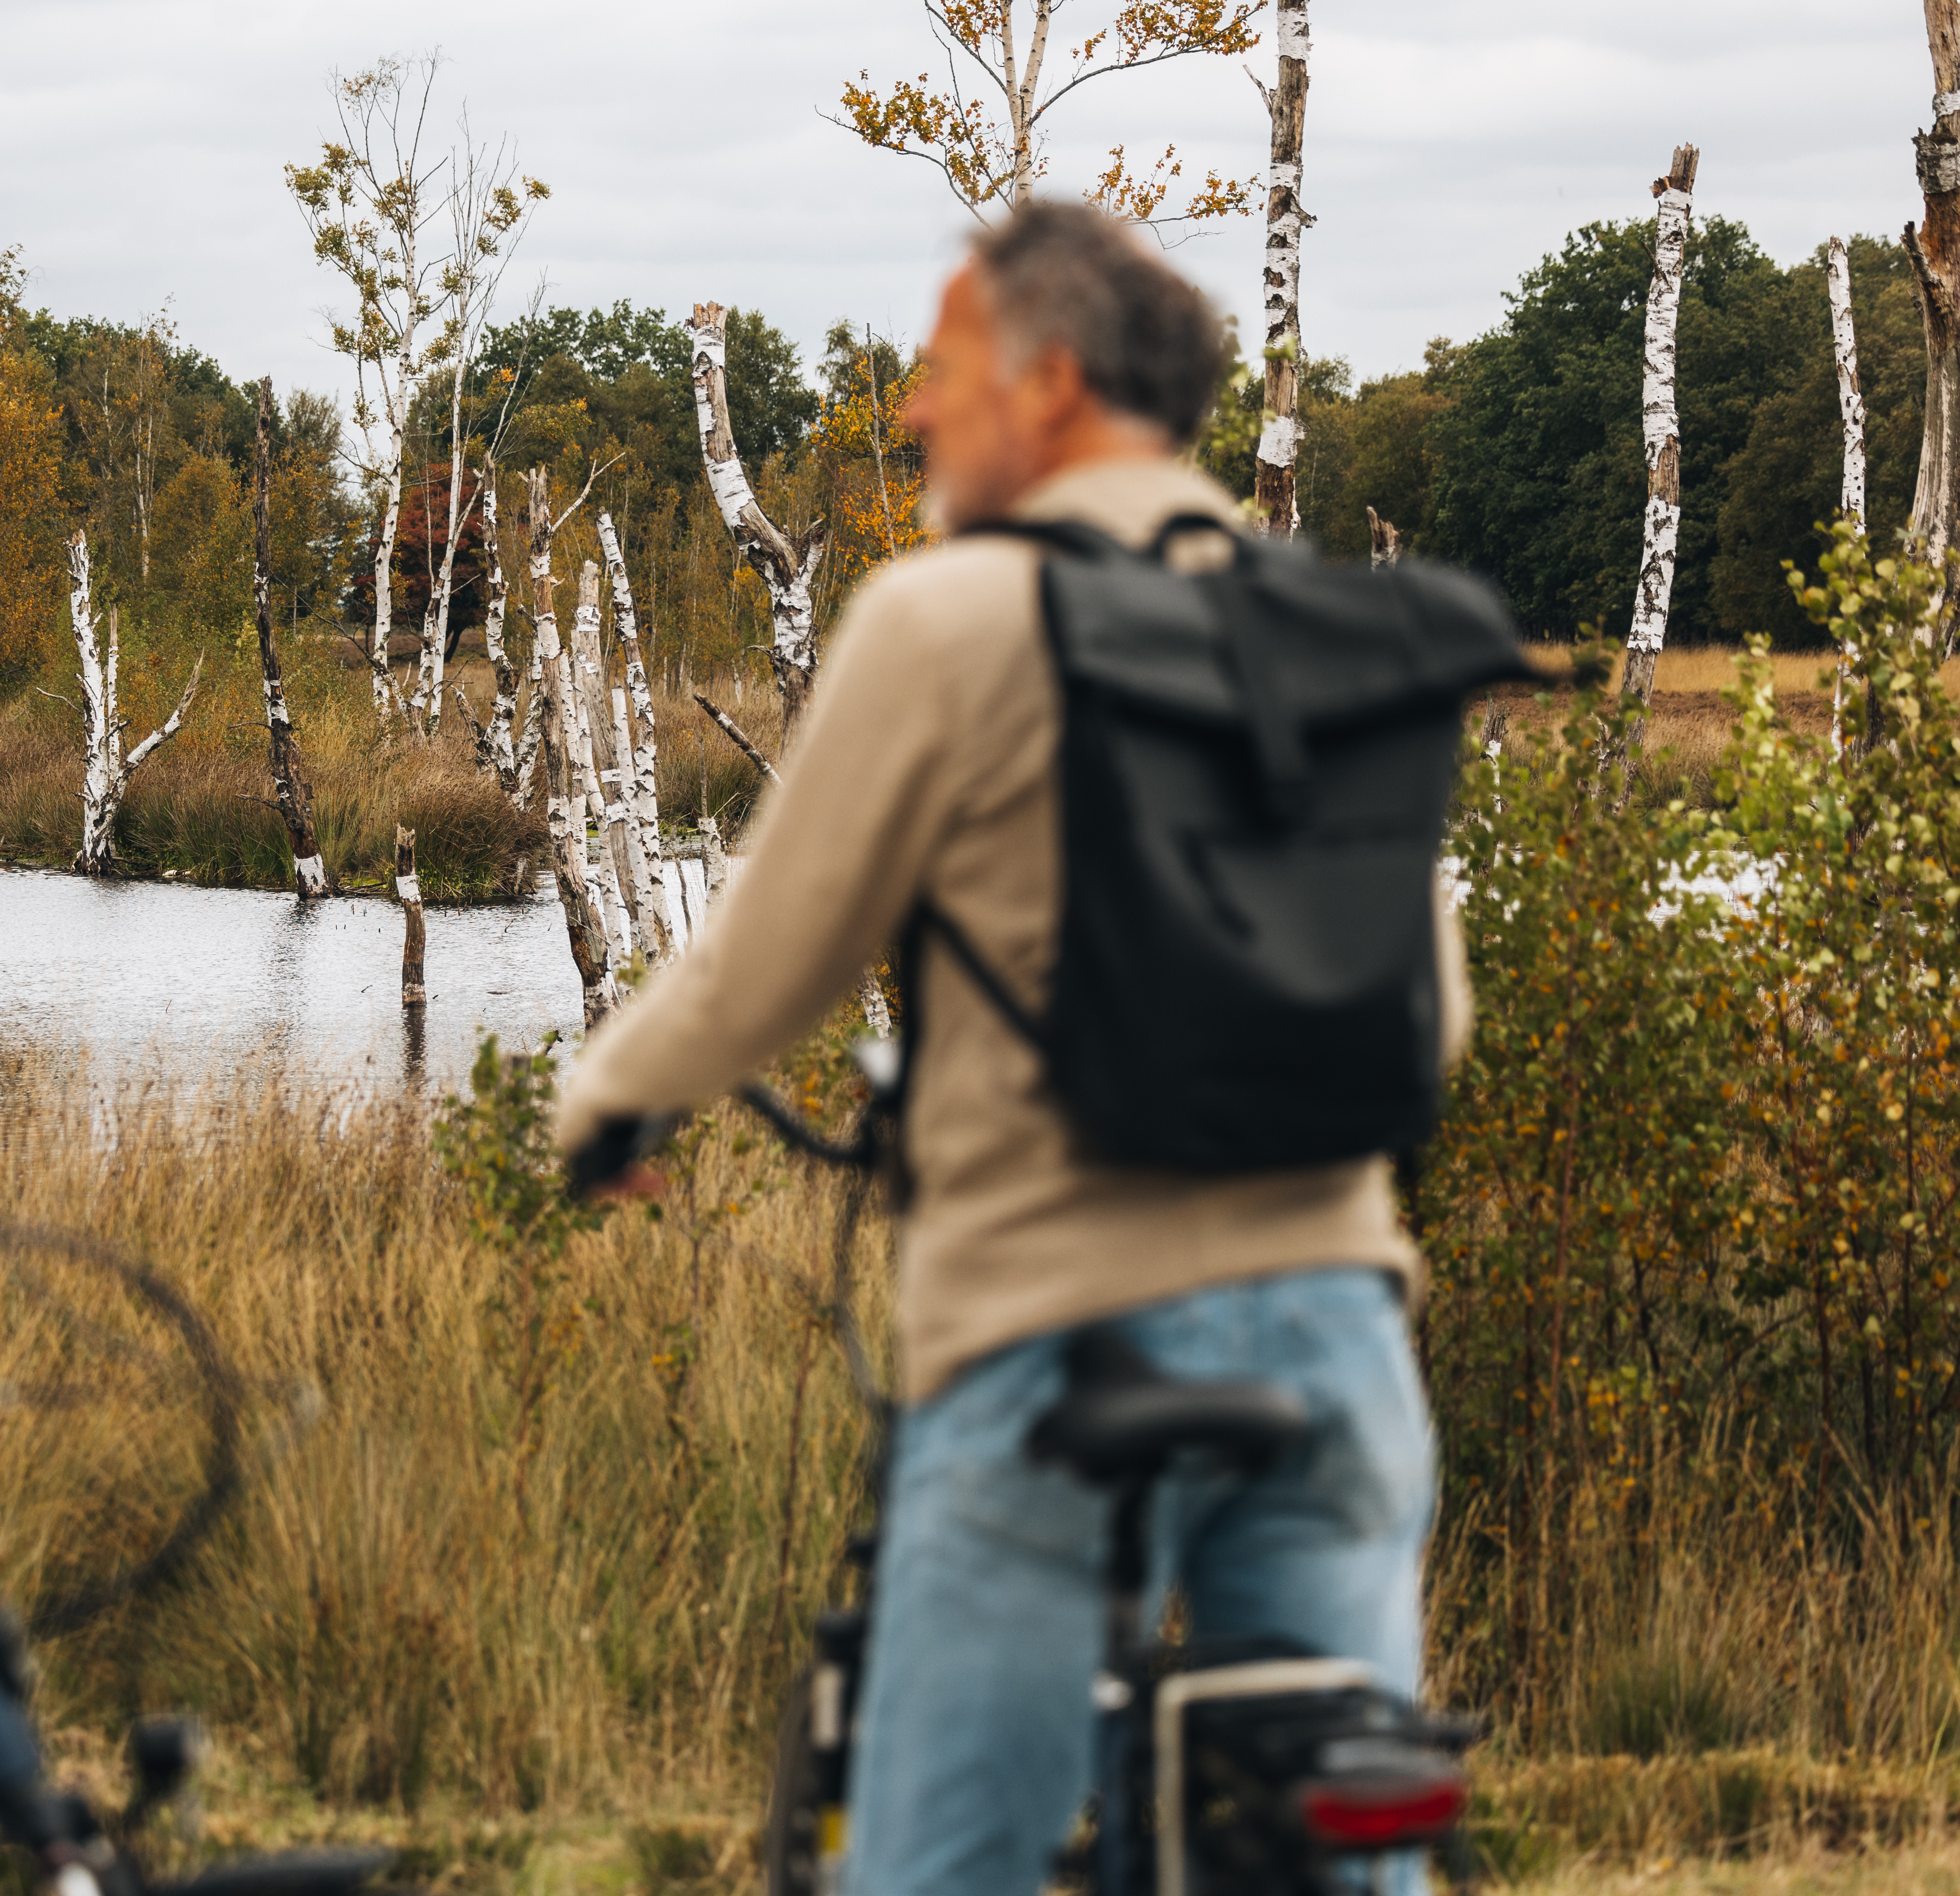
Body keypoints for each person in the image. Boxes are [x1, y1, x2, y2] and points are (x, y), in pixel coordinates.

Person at [554, 203, 1457, 1896]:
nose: (910, 407)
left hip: (1054, 1345)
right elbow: (1433, 1014)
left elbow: (763, 964)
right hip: (1335, 1346)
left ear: (1046, 385)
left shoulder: (946, 622)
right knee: (1335, 1851)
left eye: (943, 365)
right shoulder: (1331, 631)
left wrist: (607, 1097)